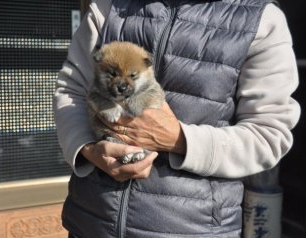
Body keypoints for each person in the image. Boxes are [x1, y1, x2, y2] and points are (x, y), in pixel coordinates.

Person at [53, 0, 301, 237]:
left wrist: (180, 139)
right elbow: (72, 89)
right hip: (91, 222)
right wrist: (87, 148)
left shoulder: (261, 20)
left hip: (195, 228)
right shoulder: (110, 5)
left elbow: (269, 134)